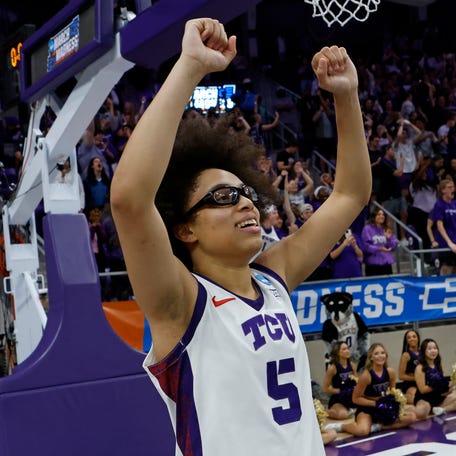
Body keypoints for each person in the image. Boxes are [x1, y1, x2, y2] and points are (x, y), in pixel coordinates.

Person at [110, 18, 371, 455]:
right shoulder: (180, 302)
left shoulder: (273, 278)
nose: (247, 203)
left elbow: (350, 193)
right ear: (185, 228)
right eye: (224, 196)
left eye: (246, 193)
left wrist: (346, 96)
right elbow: (130, 199)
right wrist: (191, 67)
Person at [324, 343, 416, 436]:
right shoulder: (366, 375)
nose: (380, 356)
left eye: (382, 353)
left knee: (411, 418)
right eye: (376, 354)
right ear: (371, 357)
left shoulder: (390, 372)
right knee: (362, 431)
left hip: (383, 408)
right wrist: (375, 403)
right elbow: (355, 398)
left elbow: (392, 393)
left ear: (386, 355)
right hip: (367, 408)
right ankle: (342, 426)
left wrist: (392, 406)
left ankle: (377, 426)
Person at [414, 338, 456, 419]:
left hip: (438, 398)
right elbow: (422, 389)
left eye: (435, 348)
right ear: (423, 351)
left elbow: (443, 386)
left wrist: (452, 384)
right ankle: (433, 410)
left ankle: (442, 409)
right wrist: (436, 385)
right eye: (429, 349)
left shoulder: (438, 365)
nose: (433, 351)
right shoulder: (420, 367)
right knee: (422, 411)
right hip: (425, 399)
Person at [322, 341, 358, 420]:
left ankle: (351, 409)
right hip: (338, 399)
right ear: (338, 352)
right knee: (343, 415)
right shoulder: (333, 368)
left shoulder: (352, 365)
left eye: (348, 348)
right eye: (344, 349)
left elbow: (357, 382)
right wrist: (340, 391)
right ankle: (325, 412)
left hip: (351, 397)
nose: (347, 351)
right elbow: (325, 388)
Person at [361, 208, 398, 276]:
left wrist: (389, 238)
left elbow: (394, 246)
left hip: (386, 264)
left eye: (383, 215)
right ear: (374, 216)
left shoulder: (386, 229)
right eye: (379, 214)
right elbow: (365, 246)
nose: (382, 216)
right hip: (373, 265)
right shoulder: (367, 228)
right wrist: (379, 248)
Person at [398, 329, 421, 405]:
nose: (412, 339)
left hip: (423, 382)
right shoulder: (406, 355)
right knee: (416, 399)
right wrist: (416, 378)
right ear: (406, 341)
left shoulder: (424, 353)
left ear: (418, 338)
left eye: (414, 336)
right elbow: (401, 376)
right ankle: (401, 397)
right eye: (409, 337)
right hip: (410, 384)